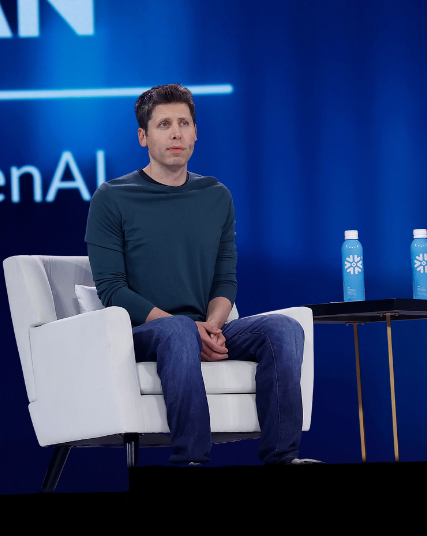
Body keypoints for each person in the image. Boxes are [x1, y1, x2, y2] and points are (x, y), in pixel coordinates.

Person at [84, 84, 317, 465]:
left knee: (283, 328)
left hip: (203, 327)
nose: (176, 133)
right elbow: (112, 290)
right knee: (177, 330)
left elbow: (225, 279)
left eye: (184, 123)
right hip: (143, 334)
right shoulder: (112, 197)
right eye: (164, 125)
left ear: (195, 132)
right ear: (143, 136)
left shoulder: (216, 195)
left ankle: (282, 458)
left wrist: (211, 328)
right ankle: (191, 461)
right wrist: (188, 330)